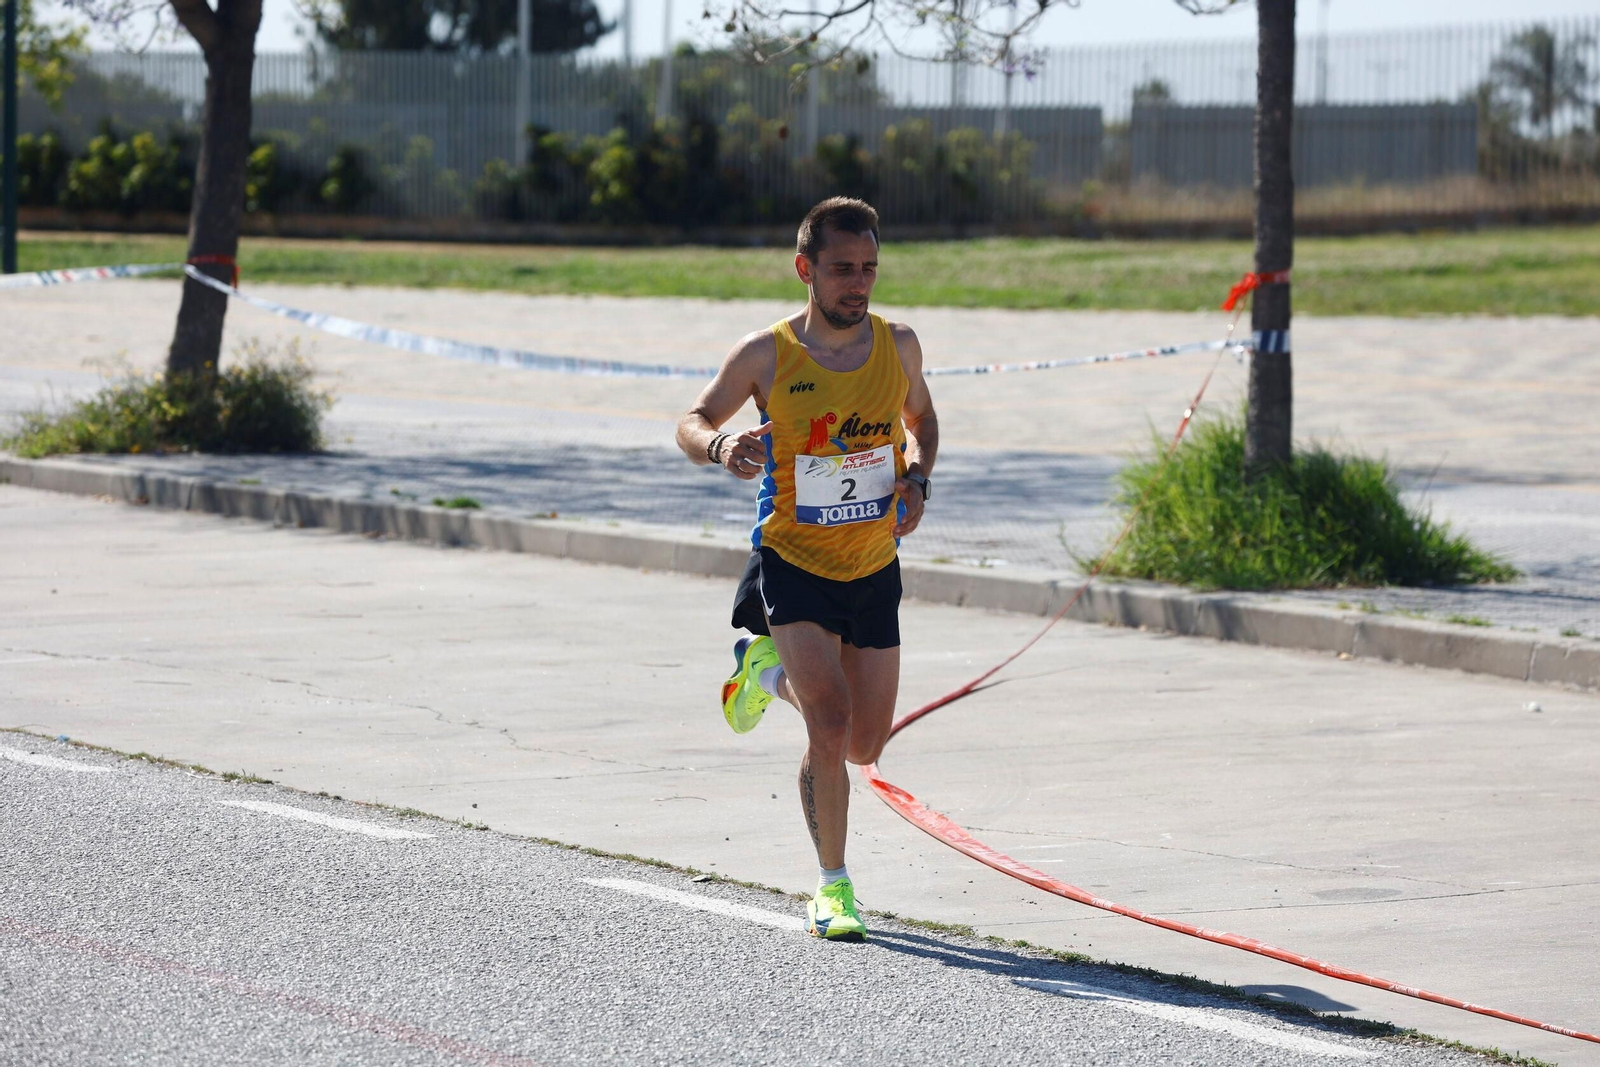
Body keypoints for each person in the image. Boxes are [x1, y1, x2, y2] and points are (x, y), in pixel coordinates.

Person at [674, 197, 939, 941]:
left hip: (872, 563)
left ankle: (761, 672)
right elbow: (690, 421)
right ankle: (834, 886)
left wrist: (916, 479)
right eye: (842, 270)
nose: (859, 284)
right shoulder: (768, 353)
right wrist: (723, 447)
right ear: (806, 270)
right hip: (791, 559)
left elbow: (922, 422)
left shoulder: (900, 345)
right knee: (830, 725)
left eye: (869, 269)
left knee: (863, 744)